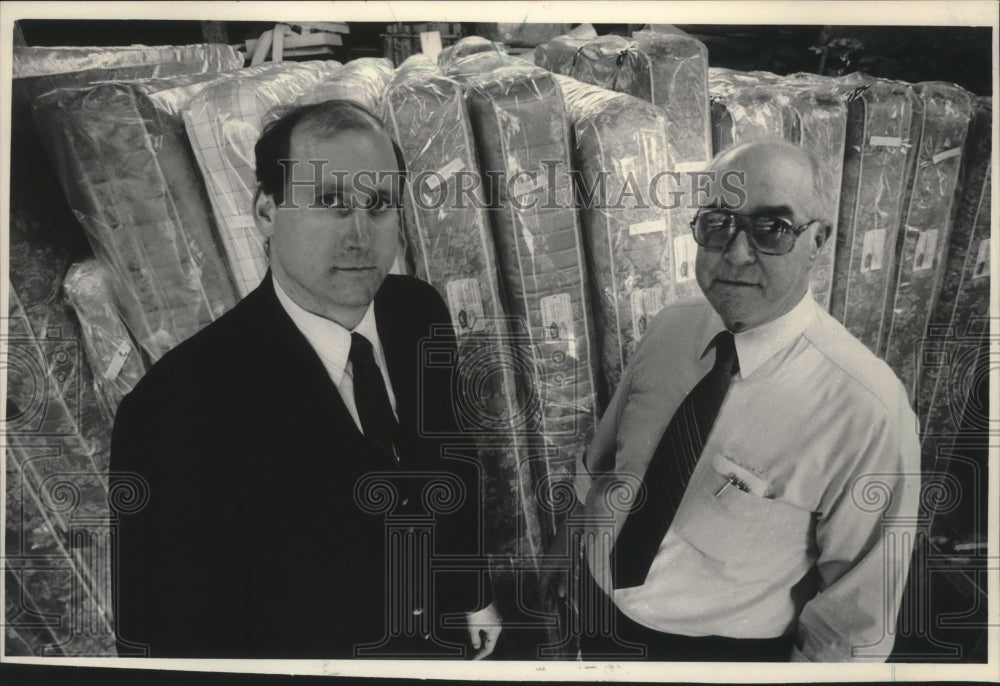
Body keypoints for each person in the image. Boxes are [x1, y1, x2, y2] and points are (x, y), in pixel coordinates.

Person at [110, 100, 501, 659]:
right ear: (267, 212)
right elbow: (169, 634)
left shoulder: (418, 313)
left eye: (380, 205)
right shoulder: (176, 407)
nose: (360, 237)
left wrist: (472, 591)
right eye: (330, 202)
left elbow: (450, 458)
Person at [568, 140, 920, 662]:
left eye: (772, 228)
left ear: (818, 240)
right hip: (596, 607)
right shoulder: (670, 330)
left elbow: (854, 622)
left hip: (714, 654)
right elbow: (604, 465)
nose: (734, 253)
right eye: (717, 223)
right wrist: (566, 550)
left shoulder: (866, 409)